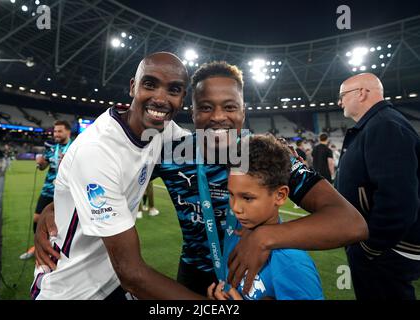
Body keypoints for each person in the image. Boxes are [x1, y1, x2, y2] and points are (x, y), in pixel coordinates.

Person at [35, 61, 368, 297]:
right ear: (192, 113)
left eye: (229, 107)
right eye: (206, 108)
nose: (219, 117)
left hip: (255, 269)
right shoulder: (171, 150)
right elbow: (100, 175)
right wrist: (56, 208)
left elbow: (351, 223)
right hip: (192, 277)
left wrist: (266, 238)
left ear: (243, 110)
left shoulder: (267, 156)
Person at [31, 52, 204, 300]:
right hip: (70, 290)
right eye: (150, 84)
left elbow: (223, 147)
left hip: (111, 280)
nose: (160, 98)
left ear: (182, 98)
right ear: (133, 87)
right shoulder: (98, 150)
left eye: (173, 89)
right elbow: (132, 274)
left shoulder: (163, 131)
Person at [207, 134, 324, 300]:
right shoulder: (236, 233)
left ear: (280, 195)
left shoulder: (292, 264)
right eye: (231, 194)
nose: (235, 207)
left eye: (247, 198)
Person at [336, 73, 420, 300]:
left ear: (362, 92)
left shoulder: (386, 126)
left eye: (343, 95)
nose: (340, 102)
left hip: (386, 249)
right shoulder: (377, 125)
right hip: (380, 246)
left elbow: (399, 199)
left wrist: (369, 247)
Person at [19, 120, 73, 260]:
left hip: (67, 191)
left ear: (68, 131)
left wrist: (68, 163)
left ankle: (60, 249)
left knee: (63, 221)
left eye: (60, 131)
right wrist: (41, 163)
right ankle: (38, 247)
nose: (56, 134)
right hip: (49, 188)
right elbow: (43, 167)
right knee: (38, 218)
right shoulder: (51, 148)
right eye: (55, 131)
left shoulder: (74, 147)